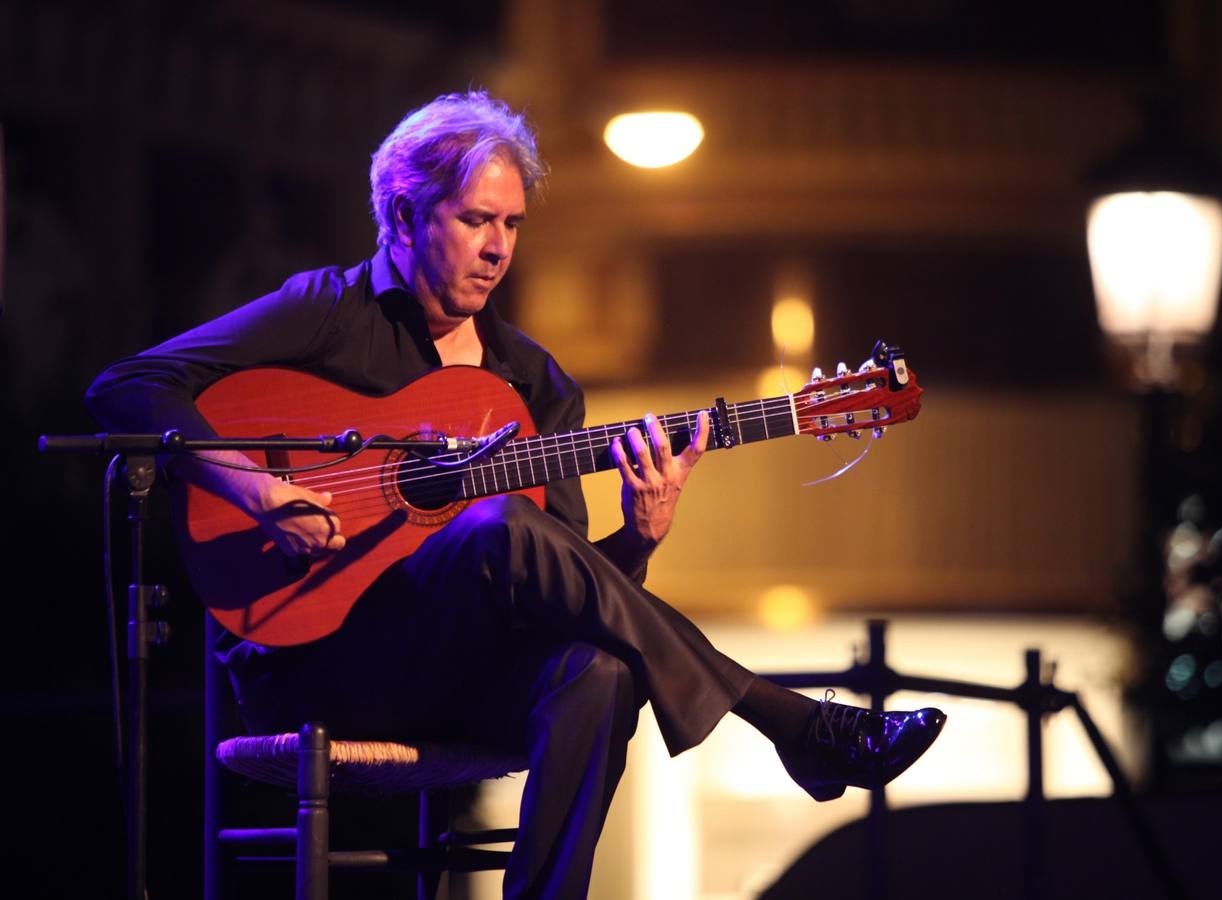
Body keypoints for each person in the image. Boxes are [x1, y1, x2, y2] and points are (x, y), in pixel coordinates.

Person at [85, 91, 945, 898]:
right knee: (500, 524)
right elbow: (128, 383)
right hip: (318, 663)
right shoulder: (329, 313)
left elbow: (568, 591)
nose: (498, 247)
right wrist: (258, 488)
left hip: (460, 675)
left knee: (601, 672)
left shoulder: (535, 383)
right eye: (474, 221)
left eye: (512, 224)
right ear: (405, 215)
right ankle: (788, 722)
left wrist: (639, 537)